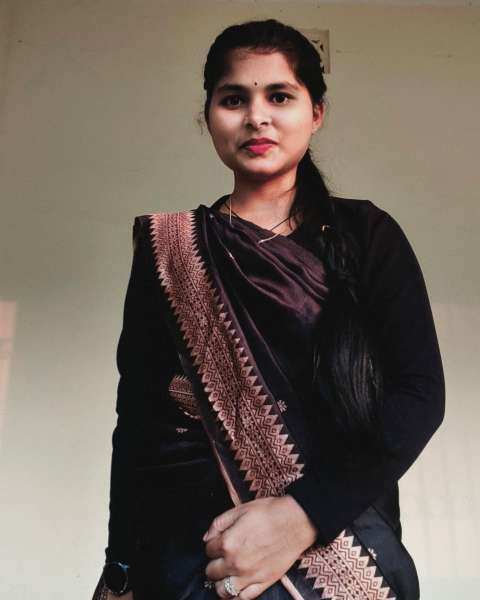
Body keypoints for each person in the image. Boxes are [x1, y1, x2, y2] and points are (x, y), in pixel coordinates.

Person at [91, 18, 445, 600]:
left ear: (316, 112)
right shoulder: (171, 250)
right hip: (194, 554)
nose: (257, 117)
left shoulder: (367, 235)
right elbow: (137, 421)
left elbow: (419, 394)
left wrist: (301, 514)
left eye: (279, 96)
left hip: (340, 543)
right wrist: (120, 566)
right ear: (208, 117)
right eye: (234, 99)